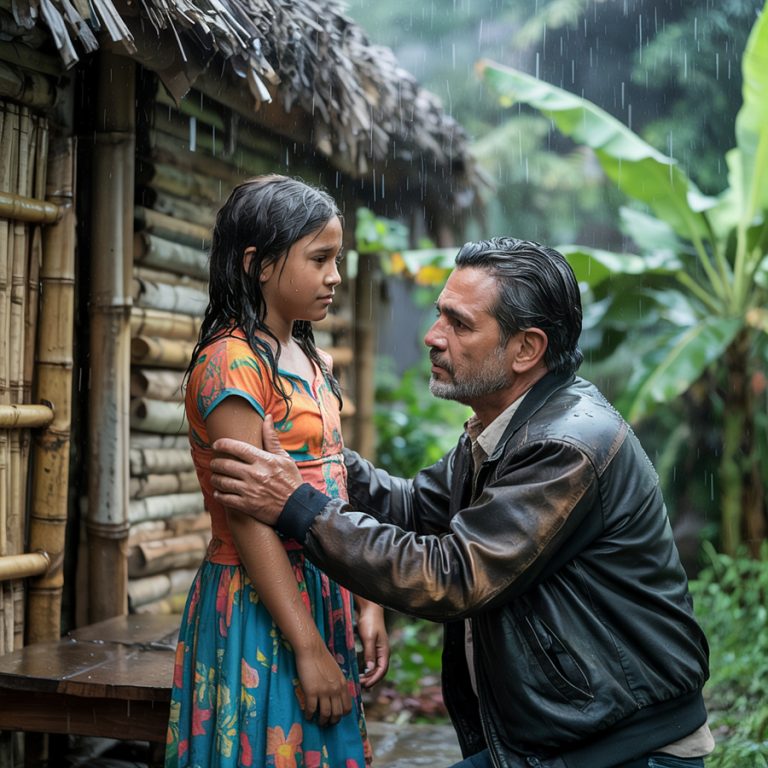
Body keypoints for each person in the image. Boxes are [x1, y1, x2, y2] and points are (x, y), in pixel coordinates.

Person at [207, 237, 715, 768]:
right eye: (439, 315)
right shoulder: (507, 428)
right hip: (566, 738)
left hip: (626, 749)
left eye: (460, 324)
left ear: (526, 349)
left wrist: (297, 504)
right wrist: (320, 453)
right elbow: (410, 508)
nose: (433, 336)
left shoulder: (564, 446)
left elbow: (450, 577)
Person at [165, 175, 389, 768]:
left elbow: (334, 485)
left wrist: (366, 597)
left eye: (336, 259)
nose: (334, 276)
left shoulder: (314, 358)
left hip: (322, 581)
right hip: (261, 599)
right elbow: (246, 517)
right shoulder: (232, 365)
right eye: (319, 259)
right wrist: (308, 646)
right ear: (258, 264)